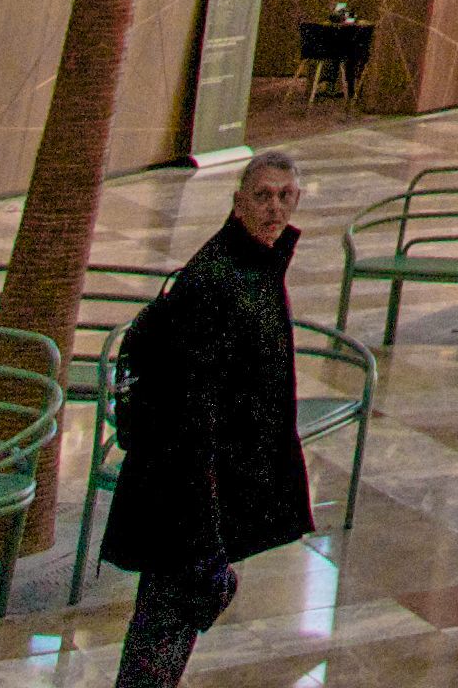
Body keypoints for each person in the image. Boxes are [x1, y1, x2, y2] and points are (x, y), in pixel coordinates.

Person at [103, 152, 314, 688]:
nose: (274, 208)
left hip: (201, 487)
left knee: (170, 621)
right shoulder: (218, 278)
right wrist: (204, 516)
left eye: (285, 196)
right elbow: (188, 410)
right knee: (165, 622)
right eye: (263, 195)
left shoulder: (258, 265)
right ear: (238, 201)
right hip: (184, 488)